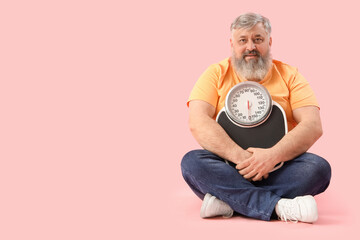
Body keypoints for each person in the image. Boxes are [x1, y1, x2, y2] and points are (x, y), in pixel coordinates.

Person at [181, 13, 331, 223]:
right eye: (243, 40)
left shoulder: (291, 75)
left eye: (258, 39)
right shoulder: (215, 73)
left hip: (278, 168)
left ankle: (228, 201)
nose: (250, 46)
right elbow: (197, 121)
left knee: (318, 168)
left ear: (269, 42)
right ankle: (280, 207)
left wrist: (271, 157)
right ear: (232, 44)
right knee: (192, 162)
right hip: (229, 166)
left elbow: (313, 125)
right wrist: (243, 159)